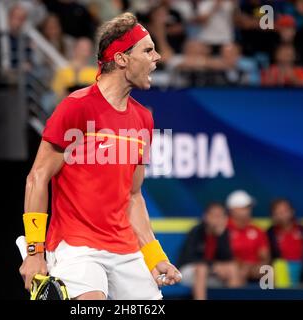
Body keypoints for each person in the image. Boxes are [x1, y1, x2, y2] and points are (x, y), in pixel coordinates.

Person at [19, 12, 181, 300]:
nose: (157, 57)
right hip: (76, 247)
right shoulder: (76, 107)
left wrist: (154, 256)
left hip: (126, 250)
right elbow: (37, 177)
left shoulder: (143, 119)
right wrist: (34, 251)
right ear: (121, 59)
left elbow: (133, 196)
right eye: (148, 50)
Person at [178, 202, 242, 300]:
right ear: (205, 216)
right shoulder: (196, 231)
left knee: (233, 268)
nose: (217, 219)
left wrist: (220, 236)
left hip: (212, 274)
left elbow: (227, 258)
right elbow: (189, 258)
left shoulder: (223, 233)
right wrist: (212, 266)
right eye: (214, 215)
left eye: (220, 216)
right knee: (202, 269)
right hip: (189, 273)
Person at [226, 190, 270, 283]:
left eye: (249, 207)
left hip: (254, 267)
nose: (249, 210)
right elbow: (222, 255)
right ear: (233, 209)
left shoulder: (257, 230)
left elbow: (265, 256)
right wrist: (241, 265)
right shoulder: (224, 229)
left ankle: (268, 296)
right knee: (236, 271)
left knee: (268, 271)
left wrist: (251, 267)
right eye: (245, 208)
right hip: (233, 267)